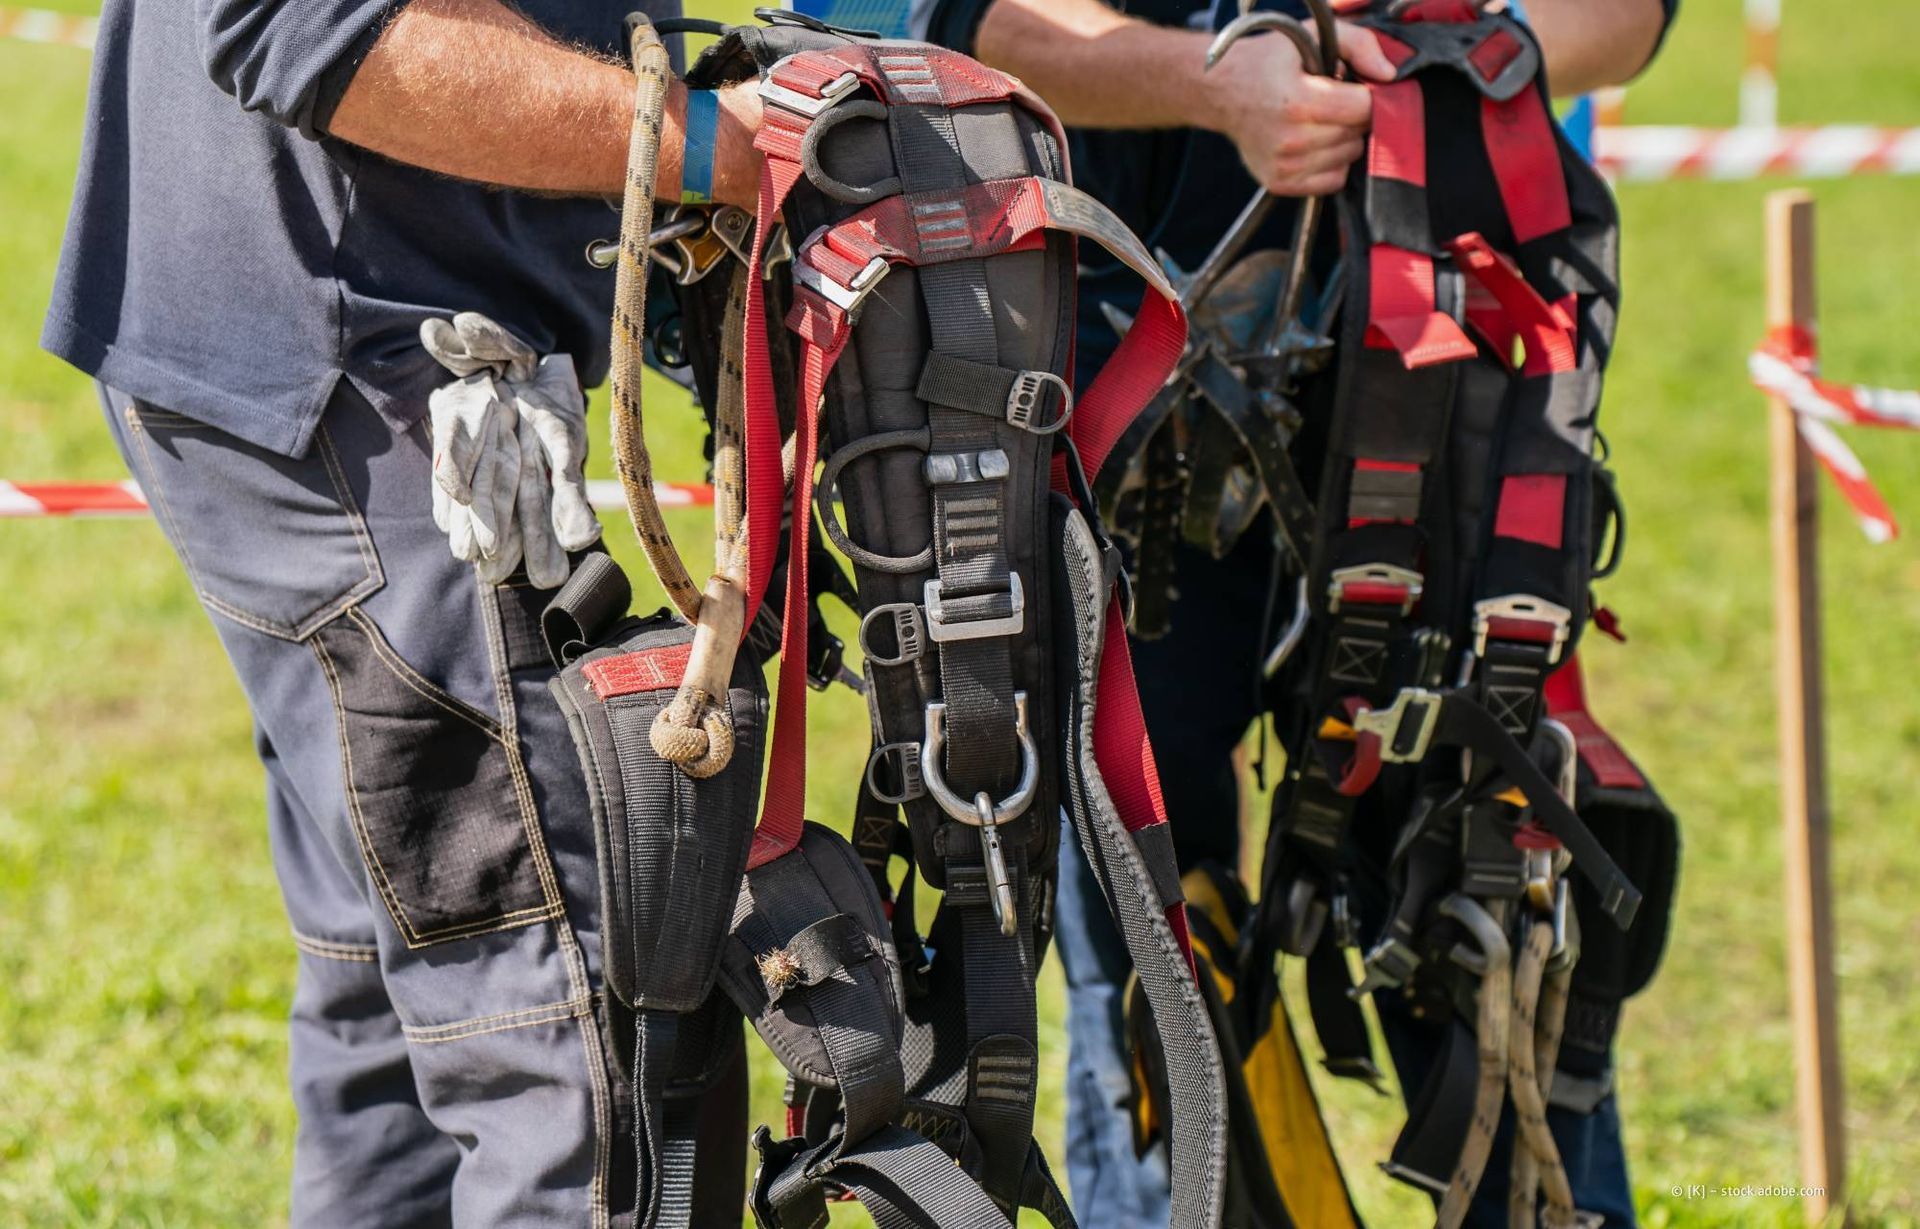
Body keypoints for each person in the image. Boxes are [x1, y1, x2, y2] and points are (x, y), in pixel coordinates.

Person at [914, 0, 1678, 1224]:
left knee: (1484, 887)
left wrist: (1471, 59)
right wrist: (1210, 84)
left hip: (1454, 351)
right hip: (1127, 360)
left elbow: (1630, 14)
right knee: (1154, 923)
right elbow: (966, 19)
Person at [42, 1, 766, 1223]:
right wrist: (714, 144)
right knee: (573, 1033)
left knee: (396, 998)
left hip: (280, 359)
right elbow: (304, 26)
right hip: (364, 377)